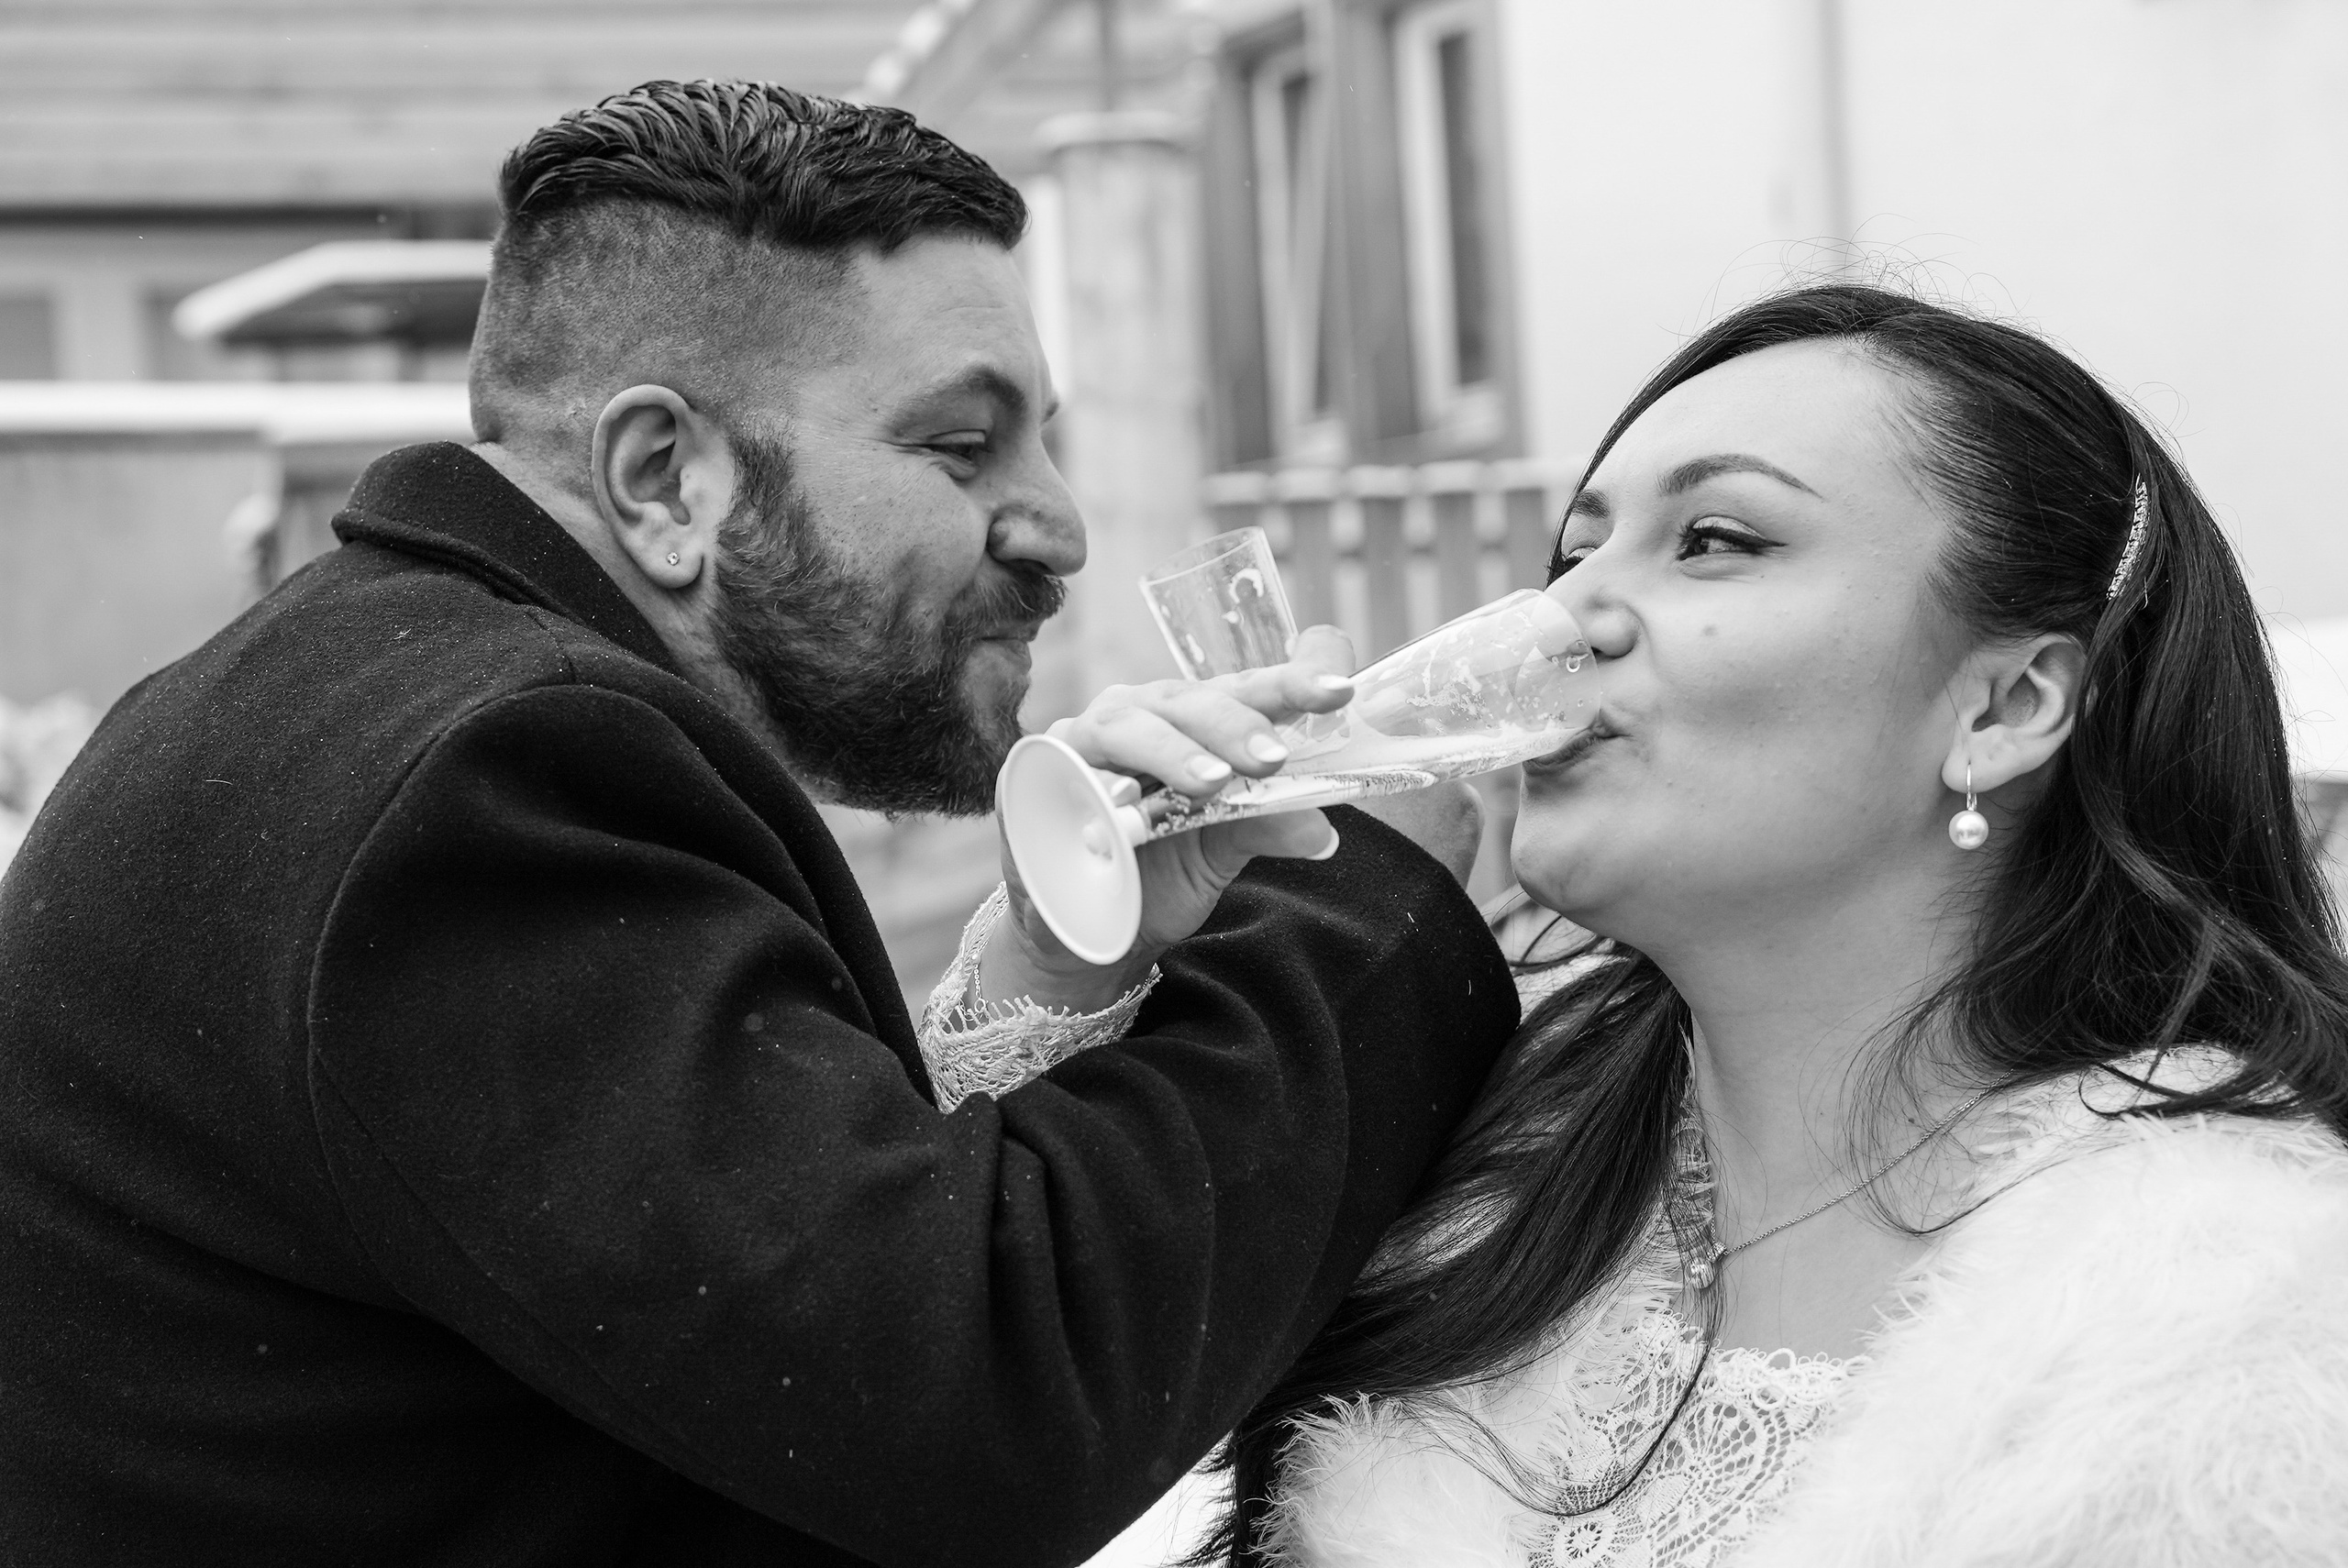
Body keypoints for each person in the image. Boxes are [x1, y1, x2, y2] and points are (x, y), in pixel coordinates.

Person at [0, 82, 1517, 1566]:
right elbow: (970, 1398)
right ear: (666, 479)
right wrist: (1360, 888)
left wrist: (1060, 971)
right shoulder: (493, 778)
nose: (1059, 527)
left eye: (1044, 438)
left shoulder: (355, 690)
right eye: (959, 446)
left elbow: (767, 1252)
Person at [950, 284, 2348, 1564]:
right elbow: (956, 1401)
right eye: (1576, 549)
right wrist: (1077, 953)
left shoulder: (2240, 1322)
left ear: (2005, 707)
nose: (1565, 613)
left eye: (1718, 539)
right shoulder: (1476, 1150)